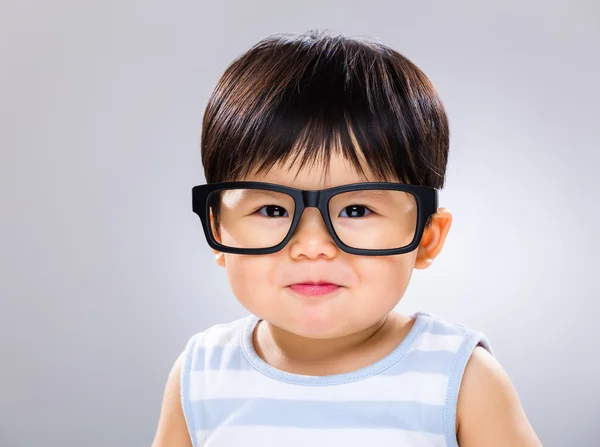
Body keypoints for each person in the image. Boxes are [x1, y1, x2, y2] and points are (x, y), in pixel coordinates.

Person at [151, 30, 542, 447]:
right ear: (216, 228)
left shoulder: (460, 377)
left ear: (427, 236)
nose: (312, 245)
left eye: (356, 210)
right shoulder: (201, 373)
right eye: (272, 210)